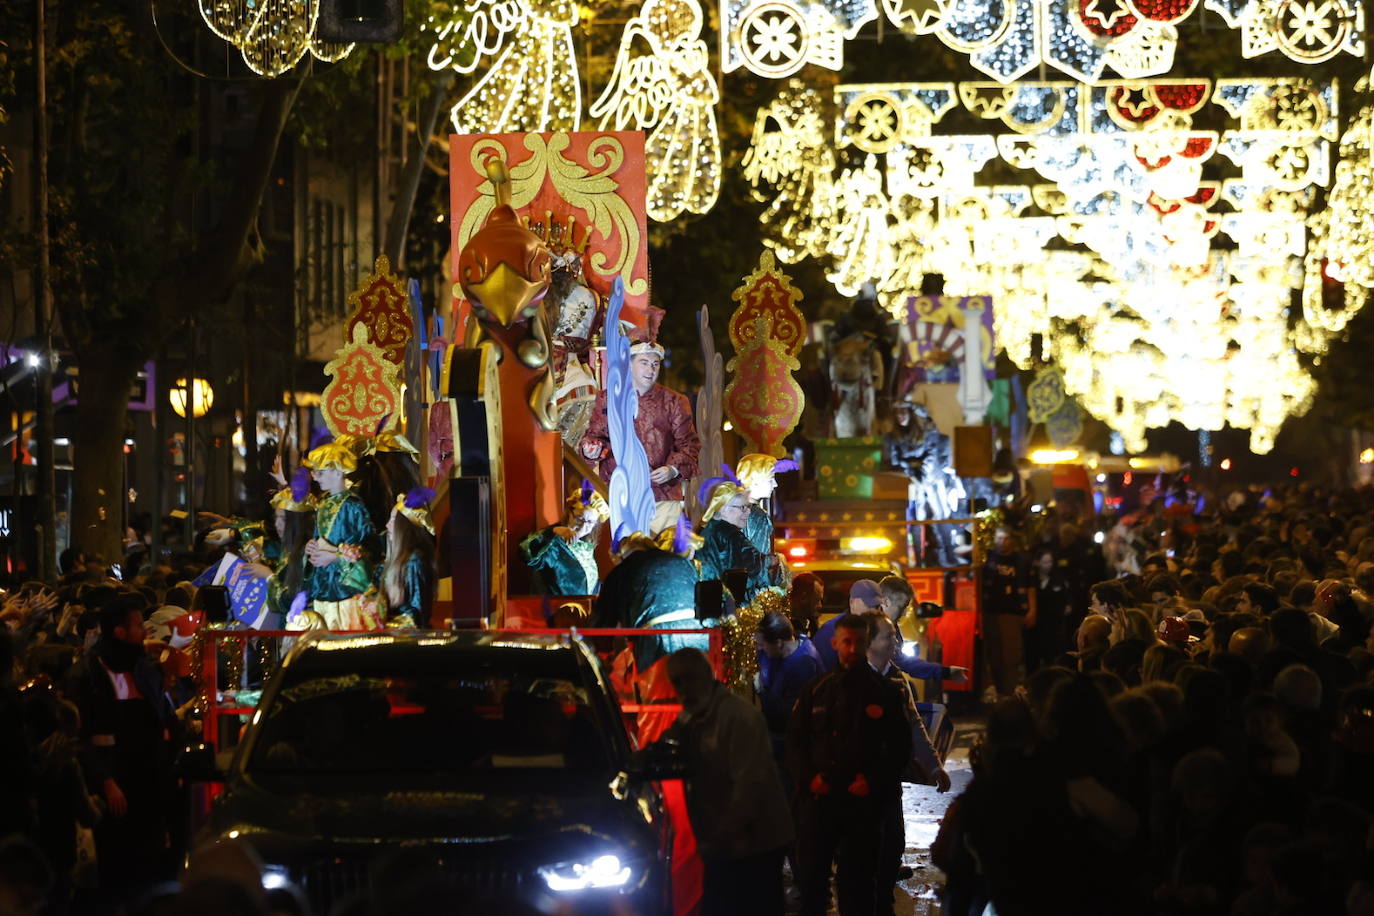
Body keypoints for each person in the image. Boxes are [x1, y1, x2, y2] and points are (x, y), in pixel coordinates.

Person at [787, 614, 912, 916]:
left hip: (863, 806)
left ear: (867, 643)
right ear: (835, 643)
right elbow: (796, 743)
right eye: (847, 642)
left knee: (858, 885)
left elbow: (900, 749)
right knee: (813, 882)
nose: (852, 649)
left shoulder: (885, 693)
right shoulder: (816, 690)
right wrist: (810, 779)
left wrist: (873, 781)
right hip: (821, 801)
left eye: (858, 642)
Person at [661, 648, 793, 916]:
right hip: (728, 840)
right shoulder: (694, 717)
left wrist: (722, 834)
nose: (683, 689)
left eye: (689, 679)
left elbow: (750, 786)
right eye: (677, 683)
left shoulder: (737, 717)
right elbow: (669, 747)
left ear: (706, 677)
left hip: (755, 842)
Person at [66, 595, 176, 902]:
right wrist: (107, 781)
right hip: (114, 788)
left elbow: (160, 722)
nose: (145, 632)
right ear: (119, 632)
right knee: (117, 868)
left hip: (149, 785)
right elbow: (82, 738)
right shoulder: (87, 676)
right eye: (139, 626)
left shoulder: (144, 670)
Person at [866, 613, 948, 914]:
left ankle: (884, 901)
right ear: (869, 642)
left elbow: (914, 724)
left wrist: (935, 765)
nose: (896, 641)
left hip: (889, 783)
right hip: (858, 785)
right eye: (889, 636)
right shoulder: (850, 680)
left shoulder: (898, 680)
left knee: (892, 844)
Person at [579, 340, 701, 535]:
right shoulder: (610, 398)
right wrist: (591, 449)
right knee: (626, 557)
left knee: (667, 557)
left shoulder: (675, 401)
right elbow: (595, 437)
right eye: (644, 362)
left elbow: (689, 444)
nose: (651, 369)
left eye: (655, 364)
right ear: (629, 364)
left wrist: (672, 469)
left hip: (662, 495)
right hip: (621, 494)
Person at [302, 440, 382, 630]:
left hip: (346, 592)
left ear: (338, 472)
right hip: (322, 587)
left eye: (320, 472)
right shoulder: (322, 504)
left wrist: (336, 556)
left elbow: (372, 548)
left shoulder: (353, 506)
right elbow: (319, 538)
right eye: (314, 472)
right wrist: (310, 548)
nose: (315, 478)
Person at [875, 574, 970, 683]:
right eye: (902, 607)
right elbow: (902, 662)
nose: (905, 614)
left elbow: (901, 661)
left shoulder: (889, 627)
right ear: (885, 602)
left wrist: (946, 672)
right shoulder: (872, 629)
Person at [755, 611, 824, 759]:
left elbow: (789, 717)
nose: (760, 649)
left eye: (762, 645)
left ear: (779, 643)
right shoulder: (786, 649)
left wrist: (761, 691)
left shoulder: (803, 665)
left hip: (794, 748)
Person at [520, 486, 609, 595]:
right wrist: (553, 531)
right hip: (555, 609)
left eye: (590, 522)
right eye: (579, 518)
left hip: (579, 609)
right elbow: (525, 551)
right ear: (569, 513)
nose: (582, 526)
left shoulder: (585, 544)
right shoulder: (554, 541)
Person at [696, 480, 772, 604]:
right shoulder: (732, 536)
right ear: (723, 508)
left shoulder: (706, 530)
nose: (748, 512)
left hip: (706, 602)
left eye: (748, 507)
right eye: (743, 507)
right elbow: (753, 571)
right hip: (728, 607)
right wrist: (775, 563)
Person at [982, 526, 1031, 699]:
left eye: (1006, 538)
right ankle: (998, 689)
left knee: (1010, 655)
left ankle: (1009, 691)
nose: (1002, 542)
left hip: (1011, 611)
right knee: (994, 654)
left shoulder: (1020, 560)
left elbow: (1029, 585)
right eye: (999, 538)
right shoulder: (988, 557)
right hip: (990, 611)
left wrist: (1031, 610)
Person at [380, 488, 436, 627]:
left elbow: (417, 615)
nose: (387, 525)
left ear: (403, 526)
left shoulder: (414, 562)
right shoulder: (393, 562)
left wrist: (385, 625)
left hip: (410, 642)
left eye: (393, 520)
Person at [813, 579, 885, 671]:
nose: (874, 610)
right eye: (869, 605)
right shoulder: (830, 630)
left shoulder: (879, 627)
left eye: (877, 606)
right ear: (852, 602)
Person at [789, 572, 824, 636]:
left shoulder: (810, 625)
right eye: (816, 600)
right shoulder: (785, 627)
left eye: (820, 601)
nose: (820, 606)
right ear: (803, 598)